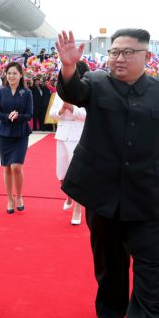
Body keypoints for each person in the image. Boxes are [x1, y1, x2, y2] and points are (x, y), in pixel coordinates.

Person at [56, 28, 159, 318]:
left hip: (150, 194)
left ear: (146, 57)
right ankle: (111, 304)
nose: (119, 58)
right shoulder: (96, 82)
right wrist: (67, 67)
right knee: (109, 256)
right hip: (101, 190)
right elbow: (74, 91)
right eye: (114, 52)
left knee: (154, 265)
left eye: (127, 52)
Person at [49, 60, 89, 224]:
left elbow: (88, 115)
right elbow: (52, 113)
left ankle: (78, 210)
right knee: (62, 175)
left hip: (79, 135)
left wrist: (72, 108)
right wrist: (62, 109)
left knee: (78, 174)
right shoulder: (60, 91)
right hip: (62, 133)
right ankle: (69, 196)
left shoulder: (87, 91)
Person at [0, 62, 33, 214]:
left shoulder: (26, 93)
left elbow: (30, 114)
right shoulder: (1, 91)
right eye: (9, 73)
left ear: (21, 75)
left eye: (15, 73)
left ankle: (20, 196)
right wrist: (7, 116)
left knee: (17, 166)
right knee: (7, 167)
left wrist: (19, 116)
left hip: (21, 133)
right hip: (4, 132)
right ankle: (10, 198)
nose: (11, 76)